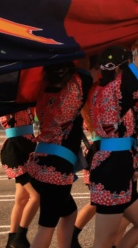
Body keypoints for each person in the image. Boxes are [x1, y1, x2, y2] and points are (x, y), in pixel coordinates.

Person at [89, 22, 138, 248]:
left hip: (117, 165)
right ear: (121, 69)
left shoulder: (100, 90)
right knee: (102, 242)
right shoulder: (113, 91)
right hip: (111, 168)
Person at [26, 61, 93, 248]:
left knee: (70, 212)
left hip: (40, 162)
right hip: (56, 170)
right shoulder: (74, 91)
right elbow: (86, 71)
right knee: (46, 226)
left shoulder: (43, 92)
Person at [0, 107, 40, 248]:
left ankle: (12, 240)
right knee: (36, 195)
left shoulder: (28, 99)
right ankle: (20, 237)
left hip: (29, 147)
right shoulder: (8, 98)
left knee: (21, 198)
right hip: (15, 149)